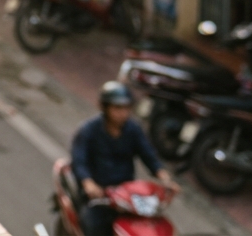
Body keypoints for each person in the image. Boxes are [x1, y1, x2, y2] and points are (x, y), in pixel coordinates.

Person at [71, 81, 178, 236]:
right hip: (98, 197)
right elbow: (79, 161)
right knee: (93, 227)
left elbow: (149, 156)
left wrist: (165, 178)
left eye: (127, 108)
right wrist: (88, 183)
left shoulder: (133, 129)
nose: (123, 113)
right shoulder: (89, 130)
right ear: (105, 107)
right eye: (117, 108)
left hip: (127, 196)